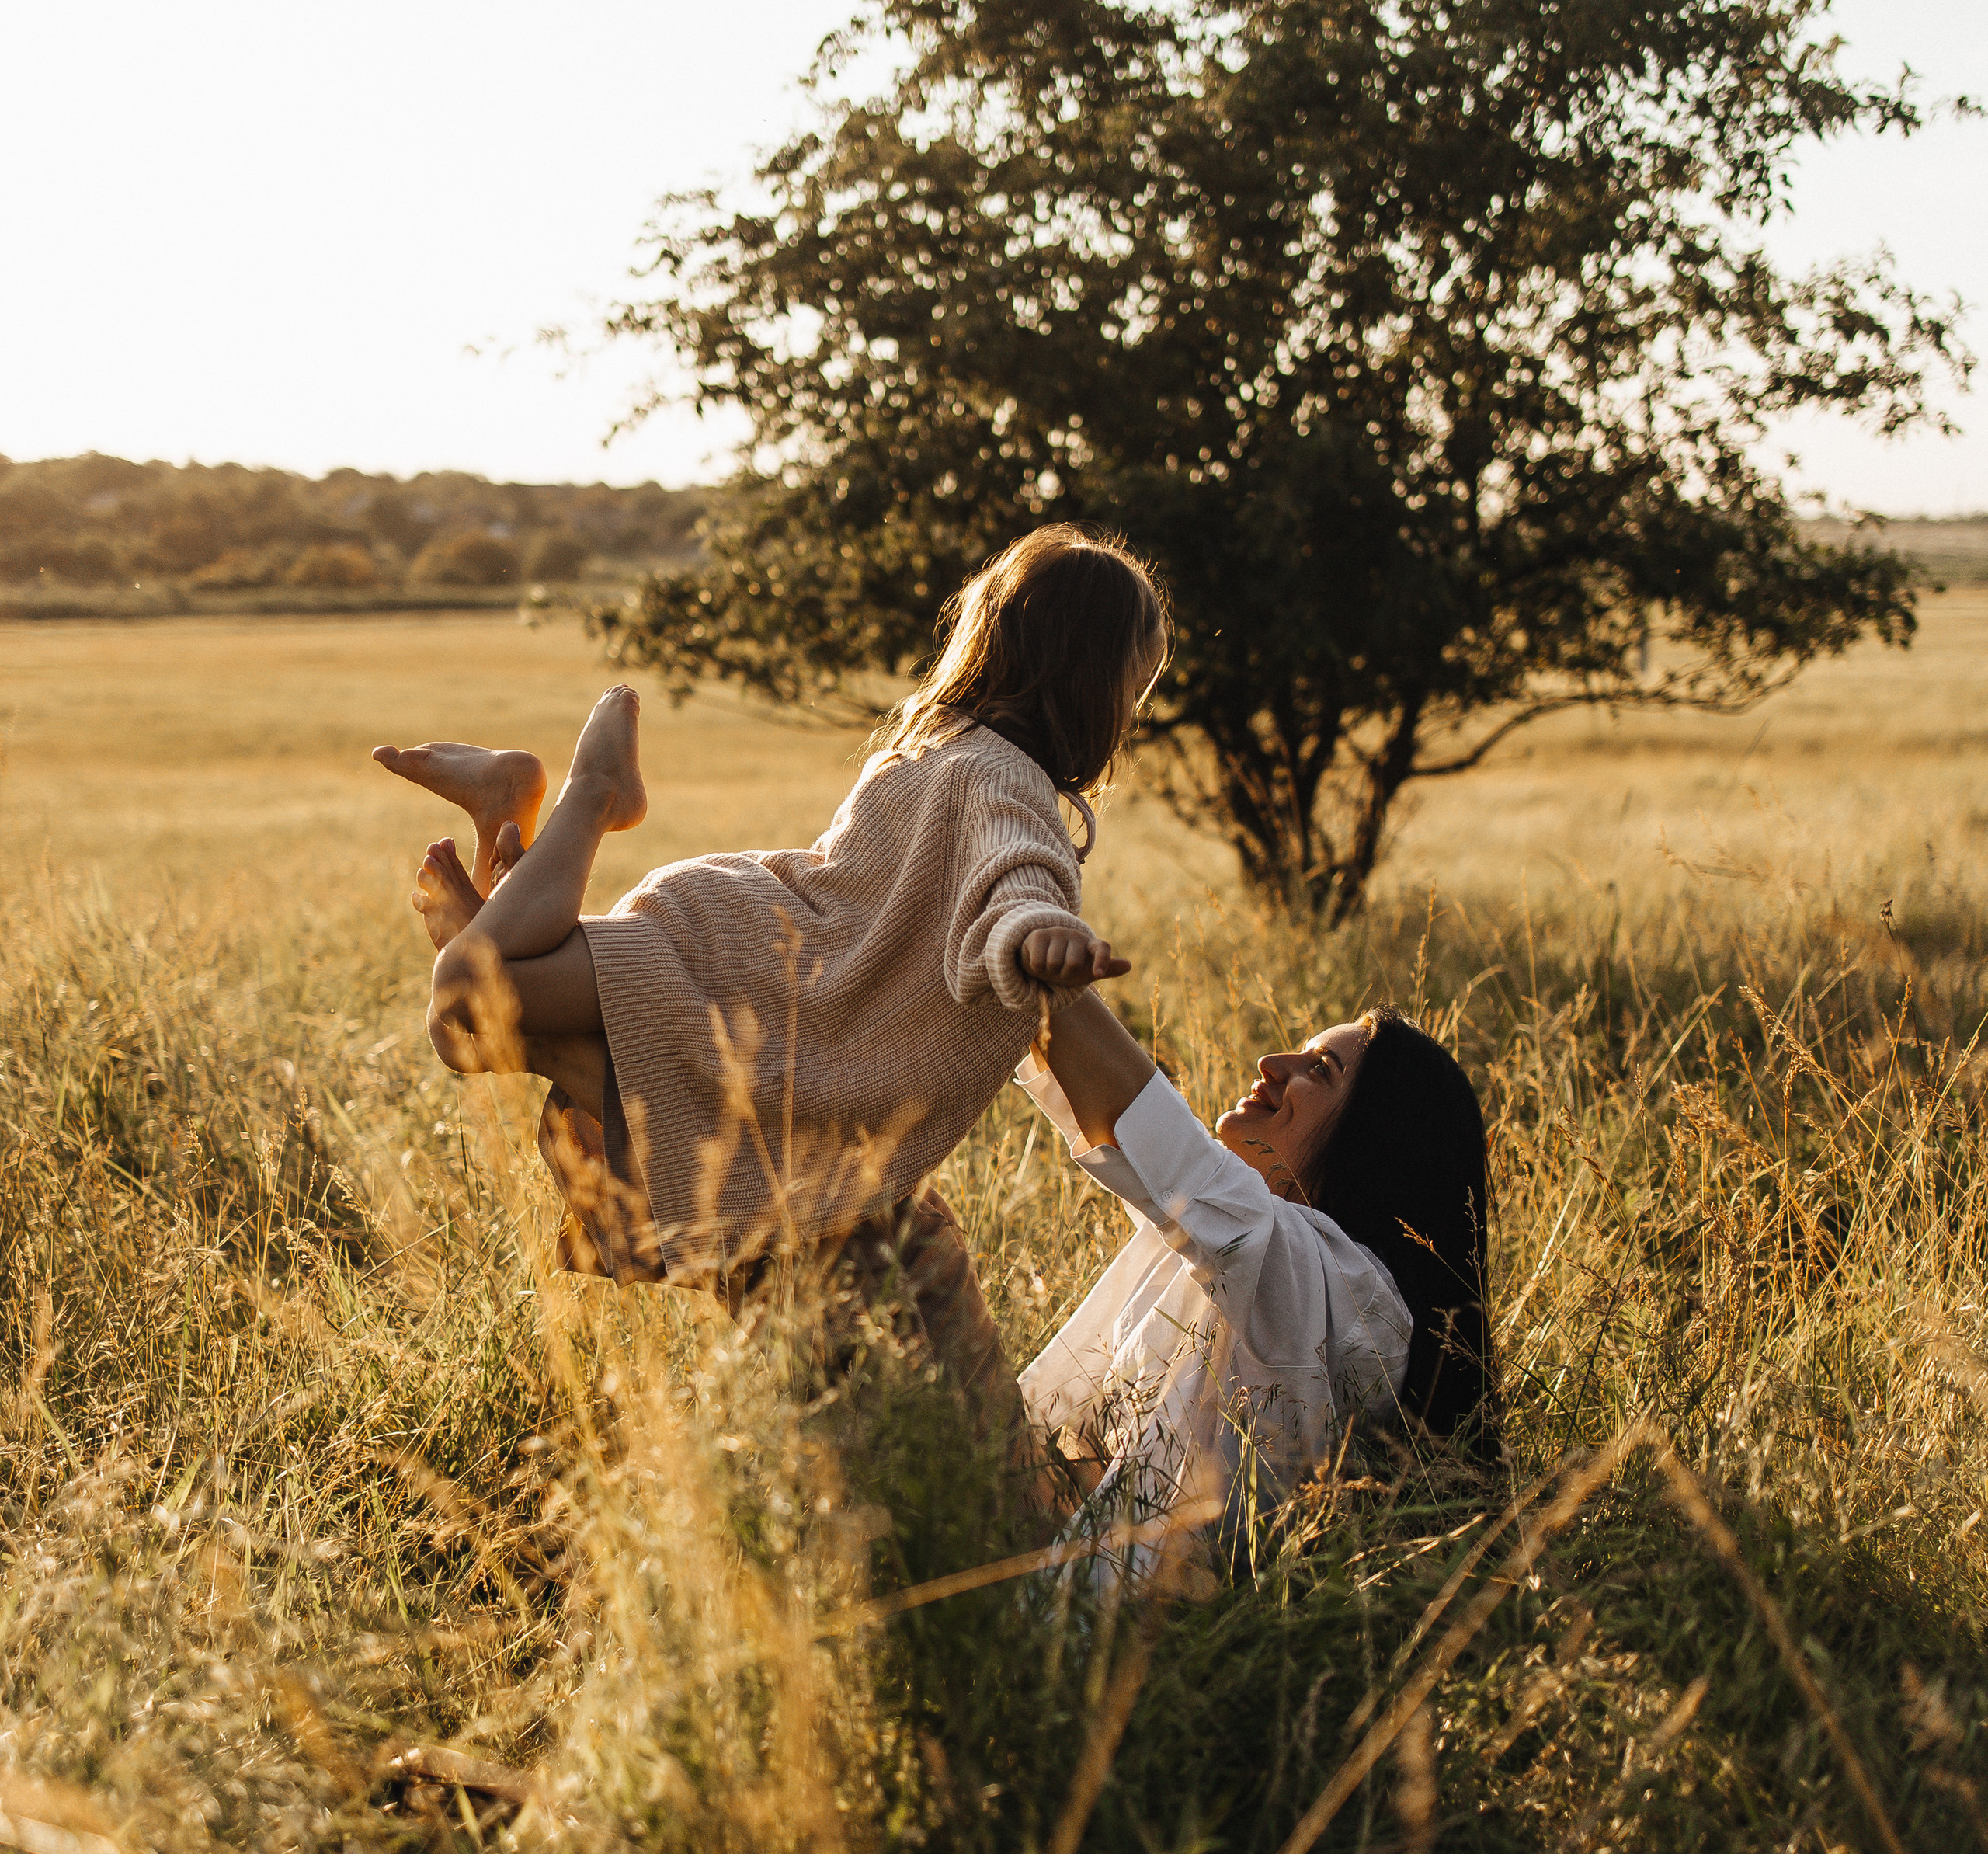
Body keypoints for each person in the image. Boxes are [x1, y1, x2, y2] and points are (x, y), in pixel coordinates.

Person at [373, 531, 1169, 1383]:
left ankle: (506, 822)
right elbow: (1016, 877)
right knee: (466, 998)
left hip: (743, 952)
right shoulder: (1009, 786)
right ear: (1093, 683)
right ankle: (591, 798)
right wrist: (1039, 936)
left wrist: (1023, 925)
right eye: (1136, 686)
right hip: (754, 995)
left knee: (482, 1020)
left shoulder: (930, 750)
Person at [1017, 988, 1496, 1571]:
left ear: (1371, 1143)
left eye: (1319, 1069)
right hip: (1047, 1537)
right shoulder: (1226, 1248)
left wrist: (1034, 954)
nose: (1273, 1064)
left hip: (1117, 1618)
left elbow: (1161, 1144)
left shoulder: (1359, 1304)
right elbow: (1118, 1131)